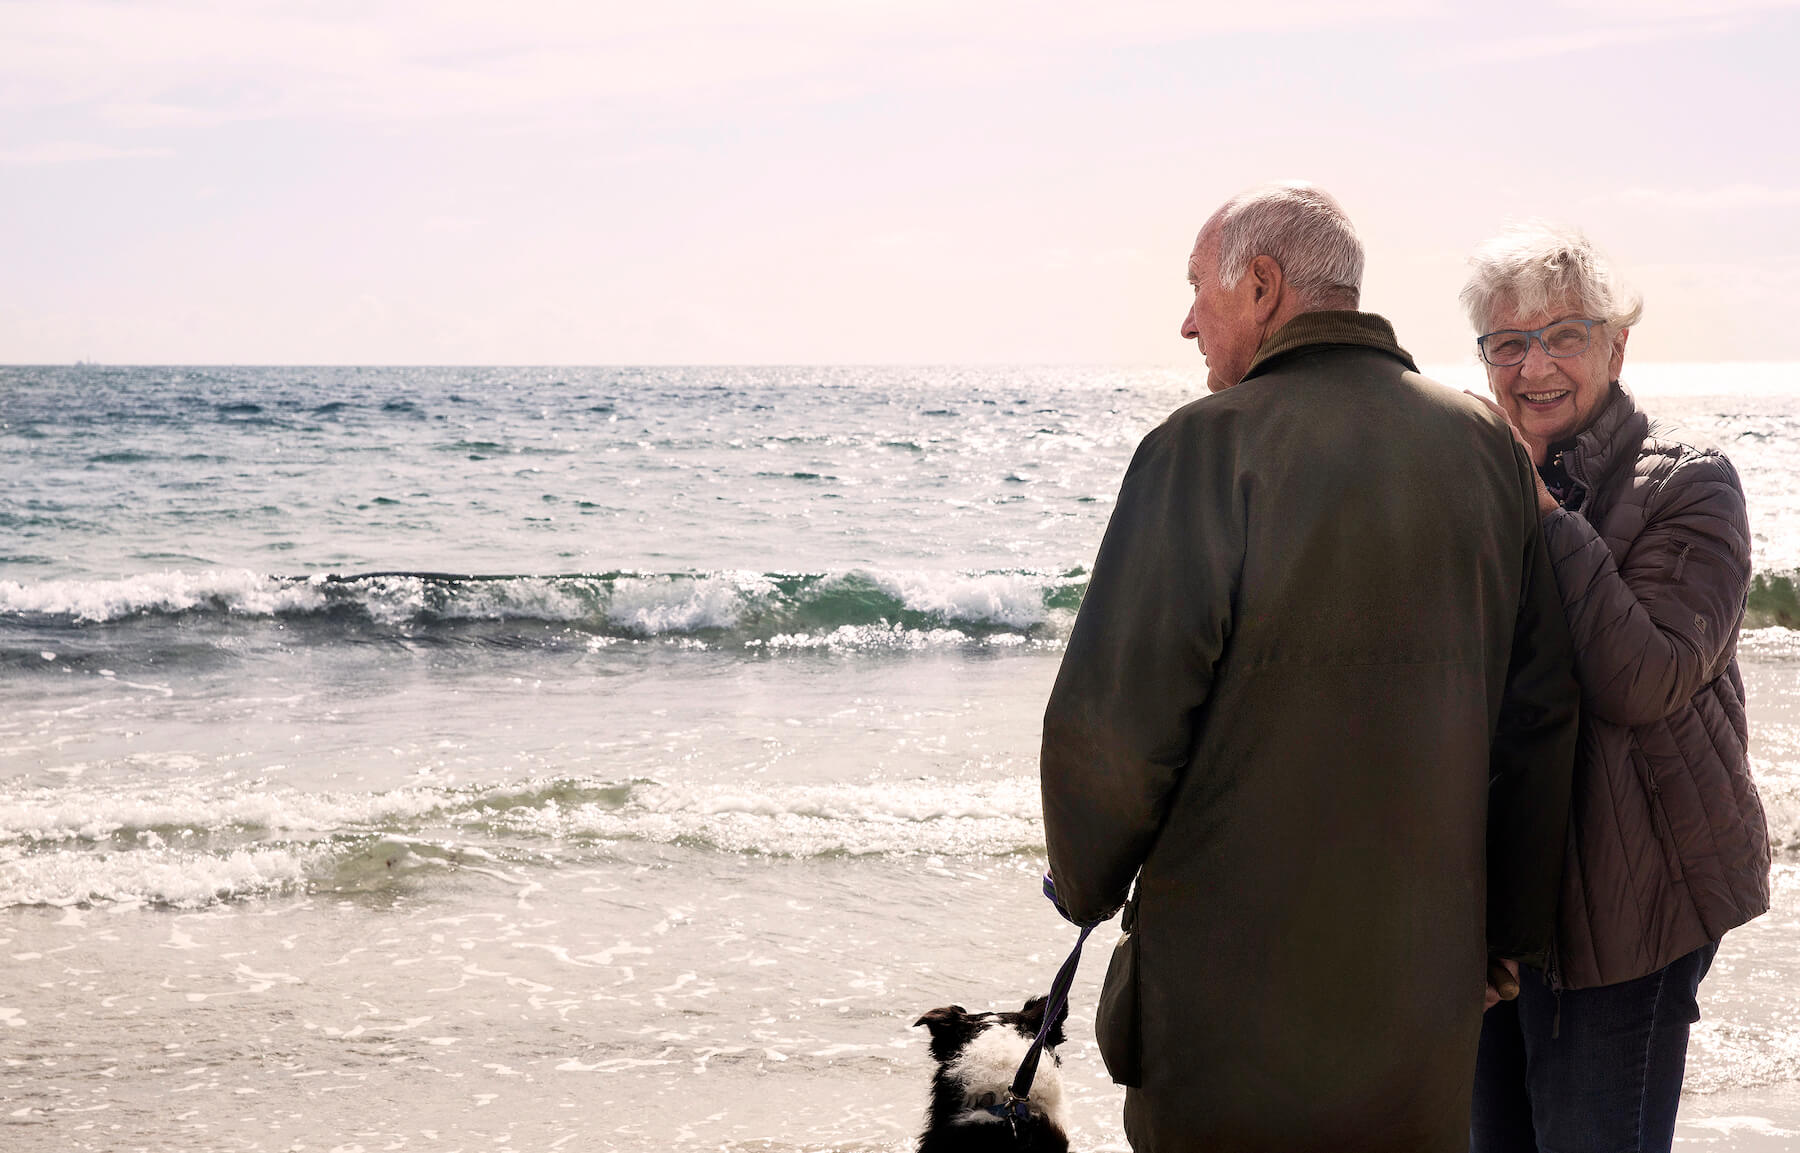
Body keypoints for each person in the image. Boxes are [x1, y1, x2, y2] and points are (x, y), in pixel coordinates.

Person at [1039, 182, 1580, 1152]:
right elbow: (1538, 715)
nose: (1187, 322)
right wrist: (1504, 937)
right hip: (1423, 1007)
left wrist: (1085, 882)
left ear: (1262, 285)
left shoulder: (1200, 449)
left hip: (1224, 1014)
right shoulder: (1486, 447)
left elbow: (1112, 730)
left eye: (1197, 289)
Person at [1462, 222, 1771, 1153]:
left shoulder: (1692, 483)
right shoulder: (1474, 487)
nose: (1534, 366)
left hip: (1633, 904)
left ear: (1617, 346)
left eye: (1563, 335)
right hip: (1500, 906)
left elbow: (1644, 678)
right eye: (1508, 343)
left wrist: (1540, 509)